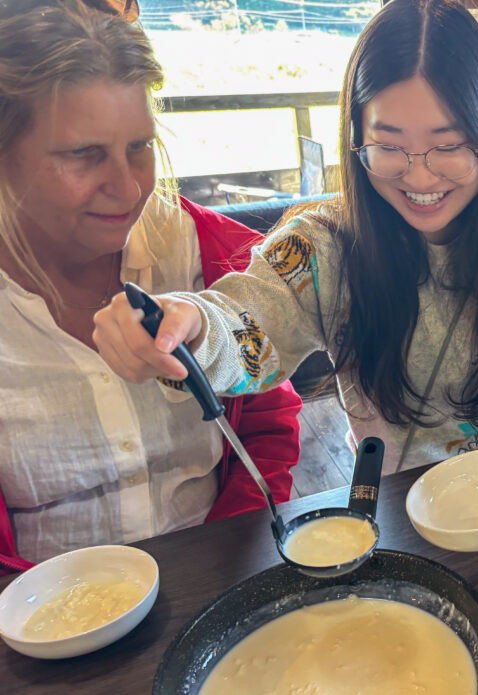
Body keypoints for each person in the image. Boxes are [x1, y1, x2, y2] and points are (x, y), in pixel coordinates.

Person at [95, 0, 478, 490]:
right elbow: (251, 325)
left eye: (448, 145)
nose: (419, 175)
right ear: (356, 137)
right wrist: (195, 325)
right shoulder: (325, 244)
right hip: (392, 508)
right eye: (388, 146)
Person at [0, 0, 303, 571]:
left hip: (217, 578)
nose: (127, 187)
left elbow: (267, 420)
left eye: (139, 148)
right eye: (84, 155)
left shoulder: (211, 252)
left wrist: (224, 559)